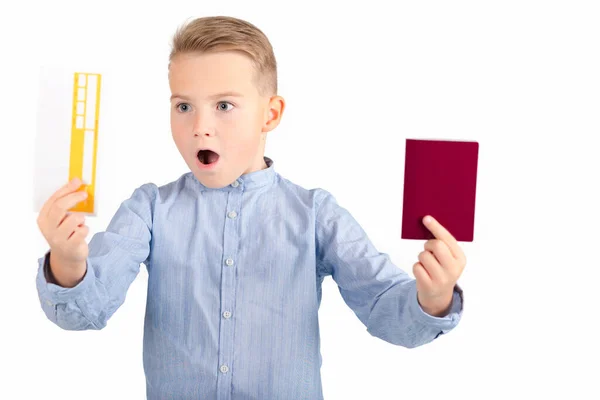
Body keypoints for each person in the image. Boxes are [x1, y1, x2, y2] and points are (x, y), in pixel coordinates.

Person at [35, 15, 466, 400]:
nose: (200, 126)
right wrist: (69, 263)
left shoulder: (315, 213)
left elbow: (385, 308)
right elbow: (86, 310)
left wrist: (432, 298)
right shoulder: (150, 208)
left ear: (271, 114)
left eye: (224, 105)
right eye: (183, 106)